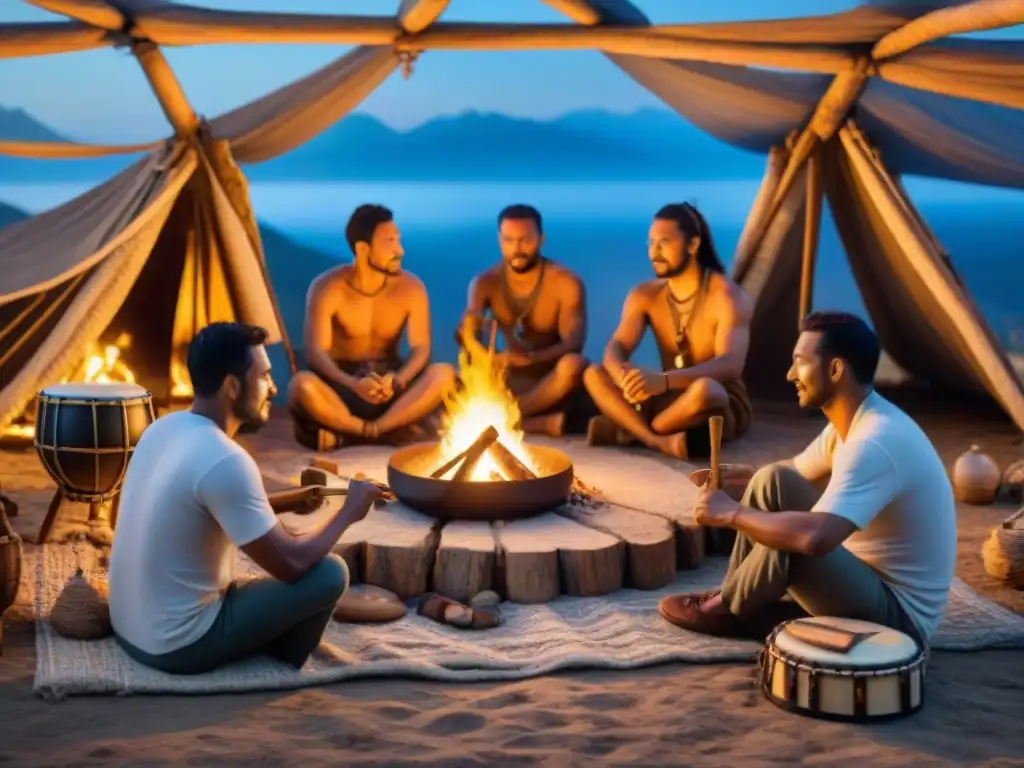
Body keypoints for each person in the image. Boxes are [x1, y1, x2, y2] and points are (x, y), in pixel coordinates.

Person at [660, 311, 957, 646]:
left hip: (899, 620)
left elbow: (817, 539)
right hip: (865, 580)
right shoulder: (854, 424)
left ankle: (729, 608)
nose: (790, 375)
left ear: (835, 370)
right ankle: (736, 596)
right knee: (773, 480)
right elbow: (785, 476)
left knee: (796, 536)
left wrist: (730, 513)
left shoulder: (873, 442)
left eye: (799, 362)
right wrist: (724, 478)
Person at [108, 322, 386, 675]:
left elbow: (203, 502)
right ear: (232, 386)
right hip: (177, 646)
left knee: (285, 545)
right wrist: (349, 511)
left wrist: (287, 500)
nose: (272, 388)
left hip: (130, 628)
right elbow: (290, 566)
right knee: (329, 573)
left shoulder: (164, 428)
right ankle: (279, 657)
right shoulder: (226, 458)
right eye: (264, 377)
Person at [582, 203, 754, 459]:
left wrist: (662, 380)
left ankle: (631, 430)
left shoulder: (727, 297)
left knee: (706, 389)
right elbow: (617, 346)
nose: (654, 252)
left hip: (715, 401)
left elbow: (730, 365)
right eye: (651, 243)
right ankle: (660, 441)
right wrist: (624, 379)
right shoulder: (645, 295)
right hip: (667, 399)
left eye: (664, 243)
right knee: (593, 374)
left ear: (693, 245)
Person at [288, 204, 456, 450]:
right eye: (389, 242)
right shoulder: (328, 287)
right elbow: (316, 352)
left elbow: (421, 347)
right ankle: (383, 432)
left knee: (444, 374)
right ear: (363, 248)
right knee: (301, 386)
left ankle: (367, 431)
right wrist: (353, 384)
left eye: (398, 240)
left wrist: (398, 380)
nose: (400, 250)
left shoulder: (411, 288)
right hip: (343, 388)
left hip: (390, 387)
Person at [457, 204, 587, 436]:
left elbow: (574, 343)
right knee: (450, 376)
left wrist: (530, 359)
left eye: (525, 240)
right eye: (509, 240)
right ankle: (538, 424)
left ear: (541, 239)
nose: (517, 248)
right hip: (507, 377)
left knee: (574, 365)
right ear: (499, 240)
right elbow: (469, 333)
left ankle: (505, 418)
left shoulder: (565, 282)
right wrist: (477, 346)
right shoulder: (485, 282)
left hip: (550, 379)